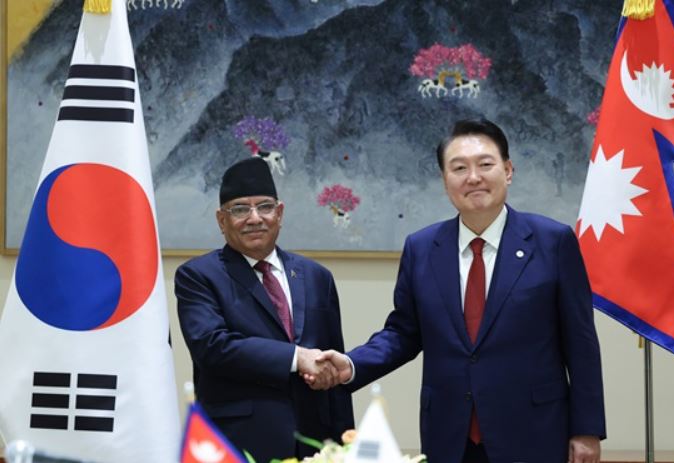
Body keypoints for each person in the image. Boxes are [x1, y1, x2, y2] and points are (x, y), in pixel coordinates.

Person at [312, 118, 606, 463]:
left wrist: (586, 430)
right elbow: (403, 333)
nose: (473, 177)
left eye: (485, 164)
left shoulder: (552, 241)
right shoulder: (422, 248)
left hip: (533, 431)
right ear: (445, 180)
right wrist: (351, 364)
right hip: (450, 435)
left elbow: (580, 342)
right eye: (459, 168)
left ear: (508, 170)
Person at [175, 157, 354, 463]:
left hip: (315, 445)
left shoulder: (316, 276)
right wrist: (296, 358)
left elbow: (332, 368)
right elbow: (212, 347)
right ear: (221, 220)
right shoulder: (199, 276)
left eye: (265, 207)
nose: (255, 218)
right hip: (238, 444)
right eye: (240, 209)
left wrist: (346, 444)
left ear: (279, 213)